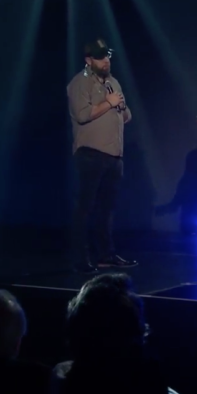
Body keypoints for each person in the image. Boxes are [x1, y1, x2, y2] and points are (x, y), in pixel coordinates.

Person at [67, 38, 138, 273]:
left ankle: (106, 254)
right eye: (100, 57)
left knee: (107, 209)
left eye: (107, 55)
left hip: (114, 155)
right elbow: (83, 115)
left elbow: (126, 116)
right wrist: (108, 103)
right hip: (90, 154)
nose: (106, 60)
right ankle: (80, 257)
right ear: (89, 60)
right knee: (85, 207)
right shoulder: (80, 83)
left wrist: (120, 106)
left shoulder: (113, 83)